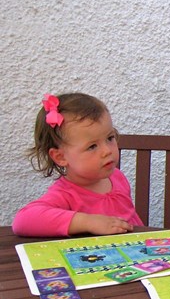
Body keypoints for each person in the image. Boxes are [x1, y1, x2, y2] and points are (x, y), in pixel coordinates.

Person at [12, 93, 143, 237]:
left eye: (110, 138)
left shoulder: (117, 176)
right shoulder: (66, 194)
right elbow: (22, 221)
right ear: (60, 157)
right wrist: (87, 222)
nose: (107, 151)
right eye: (92, 146)